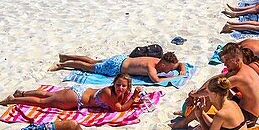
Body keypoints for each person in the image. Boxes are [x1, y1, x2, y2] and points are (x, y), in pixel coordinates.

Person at [172, 44, 259, 130]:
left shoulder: (239, 77)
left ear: (237, 60)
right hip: (242, 106)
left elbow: (211, 90)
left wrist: (194, 95)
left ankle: (185, 121)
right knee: (210, 91)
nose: (224, 64)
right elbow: (217, 78)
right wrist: (198, 92)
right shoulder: (241, 68)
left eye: (227, 60)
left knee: (211, 94)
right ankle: (192, 115)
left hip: (248, 117)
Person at [158, 77, 250, 130]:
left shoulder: (221, 114)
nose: (207, 96)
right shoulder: (232, 104)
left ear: (214, 94)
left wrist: (200, 117)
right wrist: (202, 113)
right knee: (200, 128)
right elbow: (215, 126)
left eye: (208, 93)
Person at [0, 73, 143, 112]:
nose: (121, 88)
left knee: (50, 95)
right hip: (76, 98)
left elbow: (123, 101)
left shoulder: (120, 91)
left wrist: (133, 98)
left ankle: (22, 93)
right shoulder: (108, 93)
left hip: (79, 91)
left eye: (124, 86)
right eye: (118, 85)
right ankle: (13, 100)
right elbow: (119, 109)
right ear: (114, 84)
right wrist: (134, 98)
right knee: (44, 103)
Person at [50, 50, 185, 80]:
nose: (169, 70)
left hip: (121, 58)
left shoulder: (158, 60)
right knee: (88, 67)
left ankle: (66, 56)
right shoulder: (151, 67)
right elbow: (155, 80)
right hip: (116, 67)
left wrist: (182, 70)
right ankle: (62, 64)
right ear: (163, 63)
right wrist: (175, 77)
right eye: (168, 67)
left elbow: (180, 64)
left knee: (93, 61)